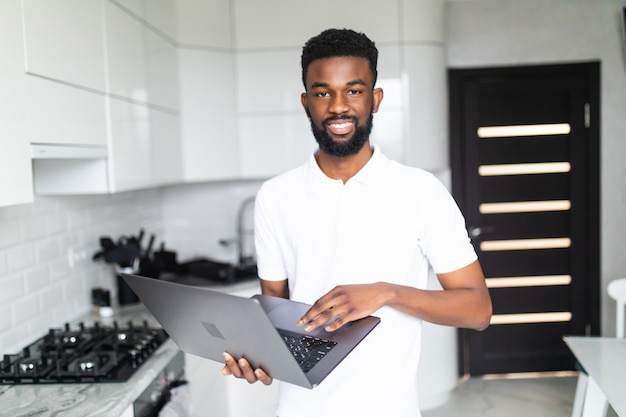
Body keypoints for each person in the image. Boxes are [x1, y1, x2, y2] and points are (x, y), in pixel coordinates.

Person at [222, 28, 492, 417]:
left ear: (375, 99)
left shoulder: (420, 191)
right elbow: (274, 312)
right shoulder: (275, 197)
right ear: (306, 102)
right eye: (322, 92)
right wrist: (253, 351)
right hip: (298, 409)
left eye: (353, 90)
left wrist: (387, 293)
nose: (338, 106)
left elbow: (477, 310)